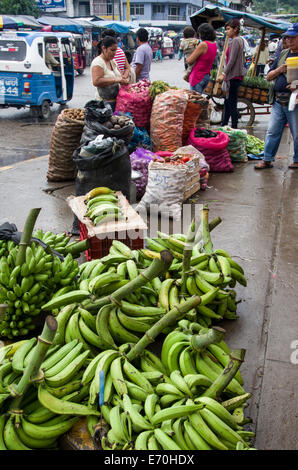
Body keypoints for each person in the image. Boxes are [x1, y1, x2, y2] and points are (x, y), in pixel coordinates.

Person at [254, 23, 298, 170]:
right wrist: (280, 69)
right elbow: (268, 76)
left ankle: (297, 160)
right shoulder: (283, 54)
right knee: (273, 130)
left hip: (295, 100)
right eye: (288, 38)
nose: (289, 41)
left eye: (293, 38)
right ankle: (267, 159)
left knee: (296, 133)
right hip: (279, 100)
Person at [217, 19, 246, 129]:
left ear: (235, 29)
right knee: (228, 102)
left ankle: (234, 127)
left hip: (233, 77)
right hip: (235, 77)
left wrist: (224, 74)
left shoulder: (235, 41)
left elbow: (232, 60)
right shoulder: (239, 40)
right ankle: (224, 125)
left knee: (231, 104)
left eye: (228, 29)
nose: (227, 32)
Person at [90, 36, 129, 112]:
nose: (114, 53)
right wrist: (115, 80)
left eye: (115, 50)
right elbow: (96, 81)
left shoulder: (112, 61)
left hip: (116, 101)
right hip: (104, 104)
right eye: (112, 50)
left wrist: (124, 80)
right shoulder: (98, 62)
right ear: (104, 48)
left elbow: (120, 76)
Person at [185, 23, 217, 94]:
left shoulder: (203, 44)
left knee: (196, 102)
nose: (199, 35)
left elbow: (190, 61)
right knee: (199, 100)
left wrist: (187, 57)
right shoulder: (214, 44)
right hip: (206, 76)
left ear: (203, 33)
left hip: (198, 77)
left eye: (199, 33)